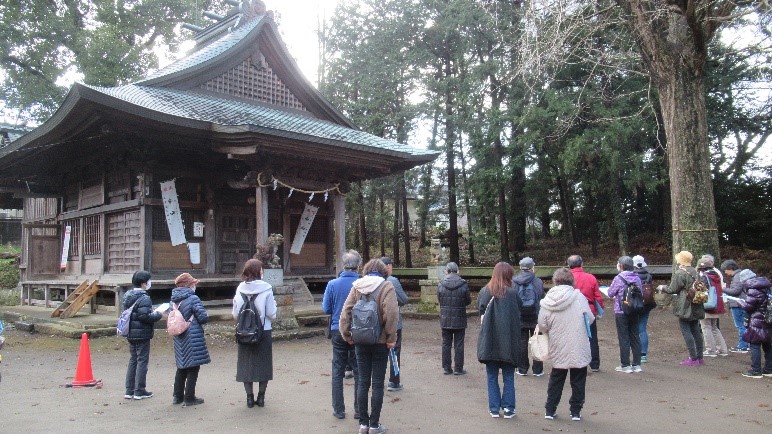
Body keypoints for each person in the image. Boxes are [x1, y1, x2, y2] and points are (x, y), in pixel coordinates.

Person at [339, 258, 399, 434]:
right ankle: (374, 425)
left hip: (360, 341)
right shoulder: (386, 286)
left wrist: (347, 335)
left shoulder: (357, 286)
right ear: (384, 271)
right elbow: (391, 313)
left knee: (363, 382)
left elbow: (346, 312)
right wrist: (390, 337)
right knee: (378, 383)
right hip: (380, 342)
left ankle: (363, 424)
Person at [539, 267, 594, 421]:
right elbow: (589, 318)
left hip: (558, 342)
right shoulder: (579, 297)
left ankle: (550, 410)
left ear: (555, 281)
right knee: (578, 378)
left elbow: (542, 324)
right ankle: (575, 411)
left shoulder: (548, 300)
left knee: (556, 377)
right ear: (572, 280)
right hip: (578, 342)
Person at [477, 262, 521, 419]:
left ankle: (494, 408)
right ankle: (509, 408)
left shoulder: (485, 291)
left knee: (491, 376)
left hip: (490, 341)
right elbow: (519, 313)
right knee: (509, 376)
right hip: (508, 342)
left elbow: (481, 310)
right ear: (509, 275)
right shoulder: (512, 294)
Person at [322, 250, 362, 419]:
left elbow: (326, 309)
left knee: (337, 369)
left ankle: (338, 409)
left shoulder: (332, 284)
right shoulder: (362, 283)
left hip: (337, 329)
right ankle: (359, 409)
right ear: (358, 265)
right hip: (359, 330)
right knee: (359, 370)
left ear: (343, 265)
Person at [233, 259, 277, 408]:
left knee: (246, 365)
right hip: (263, 331)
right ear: (259, 271)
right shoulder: (266, 289)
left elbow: (235, 314)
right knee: (263, 365)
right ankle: (261, 397)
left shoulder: (239, 289)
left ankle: (249, 398)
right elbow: (271, 313)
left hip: (244, 331)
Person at [170, 273, 210, 407]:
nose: (195, 286)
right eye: (193, 284)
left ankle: (177, 396)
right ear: (189, 285)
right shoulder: (193, 299)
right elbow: (202, 317)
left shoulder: (174, 300)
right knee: (193, 367)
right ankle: (189, 397)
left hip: (179, 335)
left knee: (182, 366)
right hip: (192, 335)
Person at [660, 250, 705, 366]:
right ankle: (700, 357)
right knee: (696, 330)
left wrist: (662, 287)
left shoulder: (680, 273)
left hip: (685, 304)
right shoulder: (695, 271)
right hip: (696, 302)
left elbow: (672, 289)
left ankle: (693, 358)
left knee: (686, 331)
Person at [123, 270, 162, 400]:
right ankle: (139, 390)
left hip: (130, 332)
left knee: (133, 360)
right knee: (142, 361)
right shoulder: (144, 298)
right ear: (144, 283)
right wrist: (158, 314)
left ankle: (129, 390)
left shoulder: (127, 295)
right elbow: (144, 316)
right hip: (142, 333)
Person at [607, 256, 643, 373]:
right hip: (635, 309)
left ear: (621, 266)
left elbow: (610, 293)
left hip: (621, 310)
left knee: (624, 338)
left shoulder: (618, 278)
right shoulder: (637, 277)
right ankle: (637, 364)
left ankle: (625, 365)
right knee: (635, 336)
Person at [568, 255, 604, 372]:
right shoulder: (590, 277)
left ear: (569, 265)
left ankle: (574, 362)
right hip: (589, 310)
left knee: (573, 336)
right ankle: (595, 364)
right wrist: (600, 310)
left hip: (571, 310)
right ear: (582, 264)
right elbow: (597, 297)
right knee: (592, 337)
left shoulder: (567, 278)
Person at [437, 262, 471, 375]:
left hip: (445, 318)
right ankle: (458, 368)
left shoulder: (441, 284)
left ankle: (447, 368)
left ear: (446, 271)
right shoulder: (463, 284)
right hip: (460, 318)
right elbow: (468, 301)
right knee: (459, 344)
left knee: (446, 343)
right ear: (457, 270)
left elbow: (440, 299)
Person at [513, 256, 545, 376]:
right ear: (532, 268)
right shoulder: (538, 281)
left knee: (521, 342)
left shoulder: (513, 281)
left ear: (521, 268)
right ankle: (538, 370)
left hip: (520, 316)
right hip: (535, 316)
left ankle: (522, 369)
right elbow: (542, 297)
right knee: (537, 342)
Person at [380, 257, 408, 391]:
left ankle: (378, 381)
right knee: (395, 352)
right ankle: (394, 381)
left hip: (378, 323)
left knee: (379, 353)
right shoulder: (392, 281)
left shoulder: (373, 281)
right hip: (394, 322)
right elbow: (403, 299)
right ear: (389, 266)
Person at [720, 260, 756, 354]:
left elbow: (735, 291)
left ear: (730, 268)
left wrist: (723, 289)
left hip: (737, 304)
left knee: (740, 325)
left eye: (725, 270)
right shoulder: (739, 275)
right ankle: (745, 345)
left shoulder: (737, 277)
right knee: (744, 325)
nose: (725, 272)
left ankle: (743, 346)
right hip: (741, 303)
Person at [738, 276, 772, 378]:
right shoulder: (767, 289)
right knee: (767, 345)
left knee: (755, 345)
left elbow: (748, 307)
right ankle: (769, 369)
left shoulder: (753, 291)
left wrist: (740, 303)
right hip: (768, 320)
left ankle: (756, 370)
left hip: (756, 322)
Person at [697, 256, 728, 357]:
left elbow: (701, 292)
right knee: (714, 327)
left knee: (706, 327)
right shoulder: (716, 275)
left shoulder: (704, 277)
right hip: (717, 305)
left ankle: (711, 350)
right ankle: (722, 349)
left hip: (708, 306)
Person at [632, 255, 654, 363]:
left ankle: (634, 352)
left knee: (633, 329)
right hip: (647, 304)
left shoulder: (633, 276)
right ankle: (643, 354)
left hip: (635, 304)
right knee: (642, 329)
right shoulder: (648, 275)